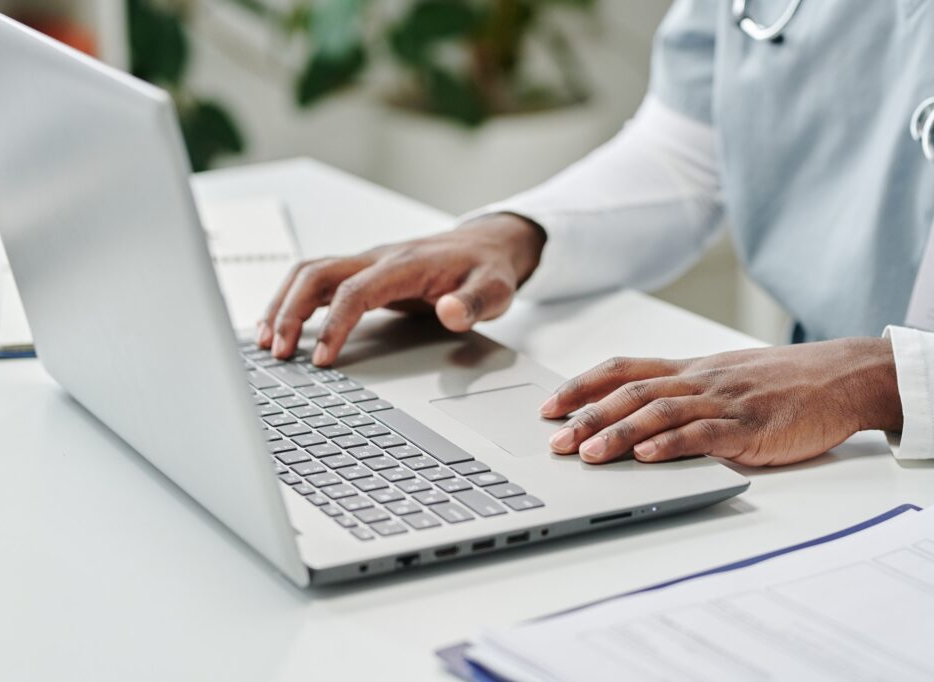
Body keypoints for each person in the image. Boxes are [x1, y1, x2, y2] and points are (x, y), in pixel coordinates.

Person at [257, 1, 934, 468]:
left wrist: (884, 381)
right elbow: (692, 150)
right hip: (837, 454)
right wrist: (514, 236)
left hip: (859, 429)